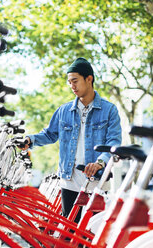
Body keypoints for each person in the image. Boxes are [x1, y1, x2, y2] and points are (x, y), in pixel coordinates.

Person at [21, 58, 122, 223]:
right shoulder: (64, 111)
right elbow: (49, 134)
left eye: (75, 81)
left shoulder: (109, 110)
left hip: (97, 182)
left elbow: (113, 143)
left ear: (89, 79)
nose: (72, 86)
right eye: (69, 82)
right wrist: (29, 140)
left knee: (91, 234)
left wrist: (100, 162)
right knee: (68, 234)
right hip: (69, 180)